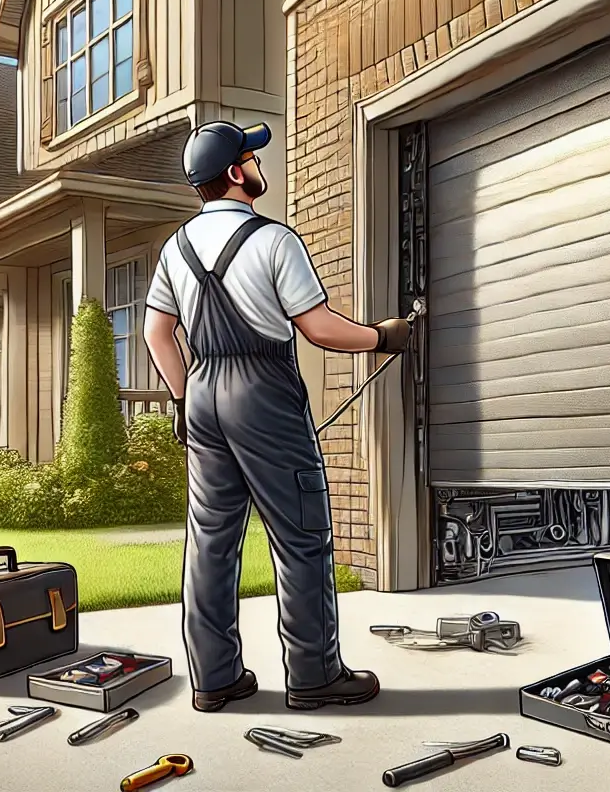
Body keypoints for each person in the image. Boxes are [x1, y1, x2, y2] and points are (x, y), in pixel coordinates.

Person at [142, 120, 411, 712]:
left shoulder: (176, 248)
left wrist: (184, 397)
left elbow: (157, 333)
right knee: (301, 534)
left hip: (203, 391)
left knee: (211, 541)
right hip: (262, 390)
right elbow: (319, 329)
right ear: (235, 173)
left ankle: (214, 678)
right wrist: (381, 337)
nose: (260, 164)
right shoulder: (273, 240)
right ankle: (314, 676)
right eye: (252, 157)